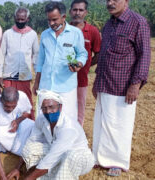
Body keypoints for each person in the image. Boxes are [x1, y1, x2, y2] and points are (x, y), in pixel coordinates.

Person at [92, 0, 151, 176]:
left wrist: (136, 84)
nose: (110, 3)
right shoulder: (109, 24)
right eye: (108, 0)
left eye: (115, 0)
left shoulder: (138, 22)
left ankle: (117, 162)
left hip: (123, 85)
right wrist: (97, 82)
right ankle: (100, 159)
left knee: (120, 125)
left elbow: (144, 54)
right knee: (102, 124)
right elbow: (103, 55)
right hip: (104, 82)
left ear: (126, 1)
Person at [7, 90, 94, 180]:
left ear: (60, 107)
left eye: (51, 107)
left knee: (70, 157)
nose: (48, 111)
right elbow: (31, 141)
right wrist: (17, 168)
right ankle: (50, 175)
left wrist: (28, 179)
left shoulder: (68, 127)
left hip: (80, 158)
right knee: (30, 148)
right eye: (44, 108)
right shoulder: (41, 119)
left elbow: (51, 158)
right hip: (57, 154)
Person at [33, 1, 88, 122]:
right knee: (44, 120)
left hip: (66, 86)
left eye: (54, 20)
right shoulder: (45, 35)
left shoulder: (75, 33)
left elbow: (82, 54)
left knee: (67, 120)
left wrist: (79, 63)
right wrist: (37, 82)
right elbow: (41, 60)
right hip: (46, 86)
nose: (51, 23)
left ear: (63, 17)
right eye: (49, 20)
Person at [0, 87, 34, 179]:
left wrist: (18, 121)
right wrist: (3, 176)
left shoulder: (22, 96)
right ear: (0, 100)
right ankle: (7, 150)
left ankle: (20, 160)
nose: (10, 109)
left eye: (13, 106)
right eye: (6, 106)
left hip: (14, 122)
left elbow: (27, 112)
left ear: (17, 101)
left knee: (33, 126)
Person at [0, 7, 39, 119]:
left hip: (24, 76)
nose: (20, 22)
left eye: (23, 19)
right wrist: (0, 75)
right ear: (14, 18)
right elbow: (1, 55)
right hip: (9, 75)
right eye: (18, 19)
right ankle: (6, 125)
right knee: (7, 102)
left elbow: (36, 55)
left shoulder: (33, 34)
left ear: (28, 19)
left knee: (25, 103)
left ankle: (29, 127)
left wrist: (37, 75)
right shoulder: (7, 34)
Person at [69, 0, 101, 126]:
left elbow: (98, 53)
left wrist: (86, 66)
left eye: (81, 10)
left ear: (86, 12)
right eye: (75, 10)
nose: (77, 13)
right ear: (70, 11)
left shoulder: (92, 31)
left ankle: (78, 135)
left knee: (80, 108)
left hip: (81, 79)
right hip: (63, 78)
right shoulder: (64, 29)